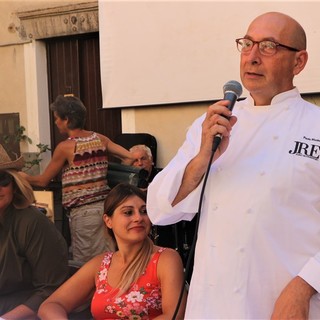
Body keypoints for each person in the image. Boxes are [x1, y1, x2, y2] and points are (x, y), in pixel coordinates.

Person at [147, 11, 320, 319]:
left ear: (299, 61)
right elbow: (161, 210)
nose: (252, 57)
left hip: (286, 304)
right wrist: (202, 158)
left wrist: (305, 286)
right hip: (212, 304)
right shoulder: (214, 122)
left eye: (268, 46)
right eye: (247, 44)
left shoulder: (315, 126)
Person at [38, 183, 187, 320]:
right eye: (128, 212)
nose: (138, 218)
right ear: (108, 221)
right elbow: (51, 306)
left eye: (144, 211)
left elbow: (174, 316)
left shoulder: (165, 259)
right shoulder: (101, 264)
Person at [20, 95, 134, 263]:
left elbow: (43, 180)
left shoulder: (66, 147)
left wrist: (23, 177)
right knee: (109, 260)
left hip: (83, 213)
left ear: (66, 120)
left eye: (57, 118)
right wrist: (106, 176)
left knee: (86, 265)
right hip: (106, 209)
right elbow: (129, 157)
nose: (56, 122)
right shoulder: (100, 139)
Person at [0, 144, 68, 319]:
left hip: (22, 310)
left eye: (2, 179)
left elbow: (51, 288)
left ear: (14, 184)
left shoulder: (31, 223)